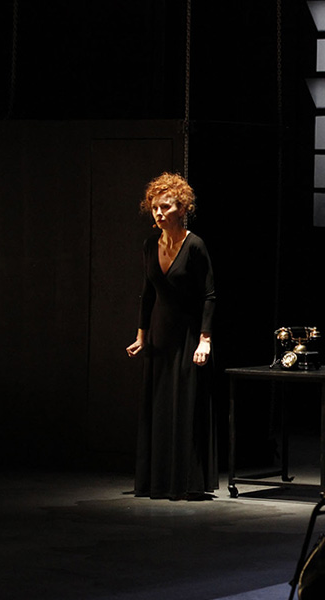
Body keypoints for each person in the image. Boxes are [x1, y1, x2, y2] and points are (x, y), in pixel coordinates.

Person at [126, 172, 217, 500]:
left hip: (187, 335)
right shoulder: (151, 245)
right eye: (154, 208)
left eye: (166, 206)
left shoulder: (195, 245)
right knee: (158, 407)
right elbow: (147, 292)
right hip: (159, 335)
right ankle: (156, 480)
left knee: (184, 406)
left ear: (183, 208)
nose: (159, 213)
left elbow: (209, 294)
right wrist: (141, 335)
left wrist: (205, 339)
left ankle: (186, 481)